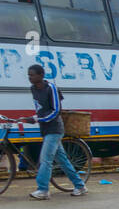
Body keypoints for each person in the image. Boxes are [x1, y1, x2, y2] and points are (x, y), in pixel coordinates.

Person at [24, 64, 87, 200]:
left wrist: (37, 120)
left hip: (55, 129)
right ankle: (80, 186)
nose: (30, 77)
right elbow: (40, 109)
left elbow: (56, 110)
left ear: (41, 75)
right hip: (45, 129)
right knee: (63, 160)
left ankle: (43, 189)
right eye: (29, 75)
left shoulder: (51, 88)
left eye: (32, 74)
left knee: (45, 159)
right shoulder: (33, 89)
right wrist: (34, 118)